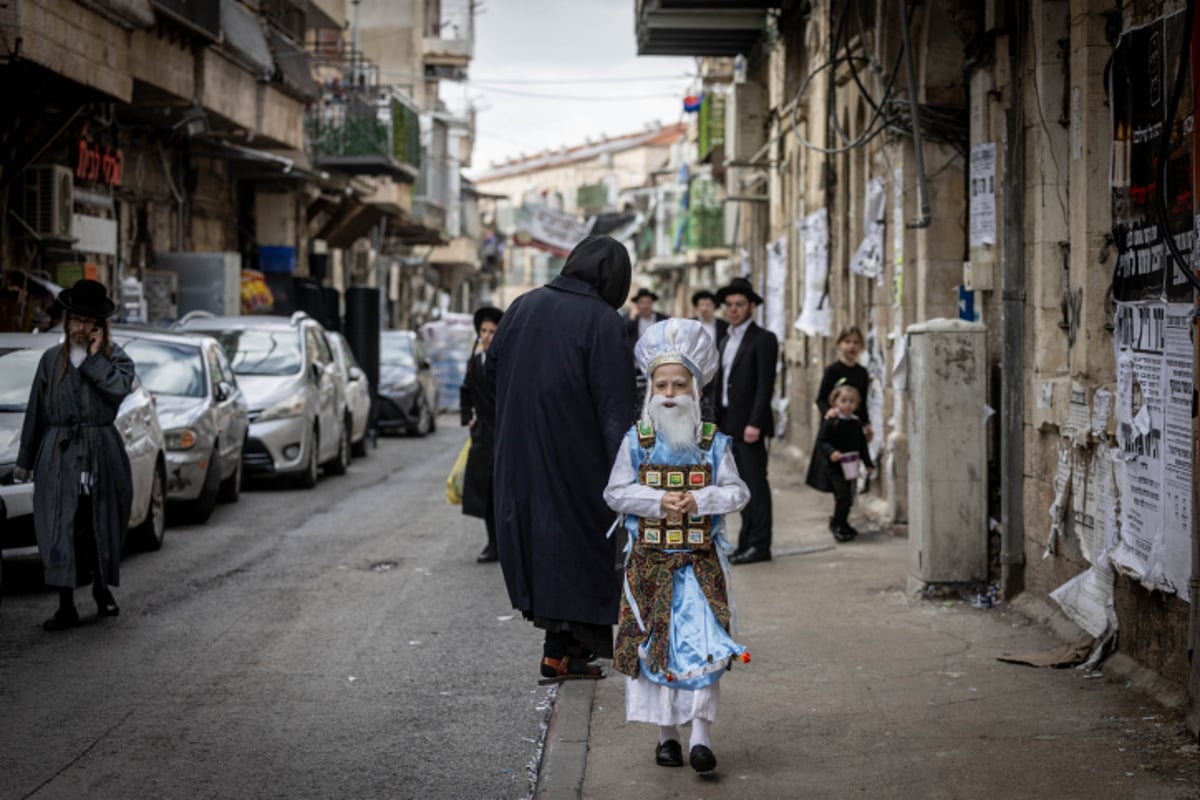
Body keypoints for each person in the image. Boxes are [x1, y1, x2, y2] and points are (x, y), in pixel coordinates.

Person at [486, 235, 637, 682]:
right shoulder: (603, 320)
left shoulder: (522, 305)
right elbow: (615, 407)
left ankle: (561, 653)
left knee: (541, 543)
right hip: (576, 454)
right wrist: (626, 472)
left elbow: (491, 368)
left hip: (518, 448)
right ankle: (563, 653)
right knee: (579, 547)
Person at [603, 318, 750, 775]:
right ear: (650, 391)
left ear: (696, 390)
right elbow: (615, 492)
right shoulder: (636, 441)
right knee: (653, 649)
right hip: (647, 565)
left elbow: (738, 492)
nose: (668, 393)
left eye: (678, 384)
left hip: (700, 567)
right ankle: (666, 737)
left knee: (704, 649)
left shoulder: (713, 443)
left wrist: (701, 500)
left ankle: (702, 737)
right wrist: (656, 500)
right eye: (660, 384)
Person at [15, 279, 134, 631]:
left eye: (88, 322)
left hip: (101, 450)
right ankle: (65, 604)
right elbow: (36, 411)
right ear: (67, 321)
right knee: (59, 526)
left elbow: (117, 389)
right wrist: (26, 460)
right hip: (60, 453)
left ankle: (101, 589)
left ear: (100, 325)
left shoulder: (116, 359)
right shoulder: (51, 360)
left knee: (99, 524)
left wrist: (94, 359)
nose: (81, 328)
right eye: (76, 320)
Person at [712, 277, 778, 565]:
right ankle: (745, 543)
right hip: (728, 423)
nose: (734, 309)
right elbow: (721, 383)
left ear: (751, 306)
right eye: (729, 305)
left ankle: (760, 545)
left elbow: (765, 385)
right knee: (738, 486)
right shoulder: (725, 338)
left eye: (739, 304)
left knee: (755, 486)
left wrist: (756, 423)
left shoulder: (763, 339)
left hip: (749, 425)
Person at [460, 305, 503, 563]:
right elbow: (466, 390)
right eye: (483, 331)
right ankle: (492, 544)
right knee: (484, 491)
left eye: (492, 332)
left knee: (503, 491)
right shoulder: (475, 362)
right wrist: (468, 419)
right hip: (483, 434)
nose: (486, 336)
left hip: (505, 434)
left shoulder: (506, 363)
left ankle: (506, 543)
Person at [805, 384, 874, 541]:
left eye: (851, 401)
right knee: (842, 496)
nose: (847, 404)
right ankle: (837, 524)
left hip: (851, 466)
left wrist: (868, 464)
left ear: (856, 405)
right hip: (835, 467)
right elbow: (822, 441)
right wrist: (831, 452)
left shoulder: (856, 423)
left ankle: (843, 522)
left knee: (849, 497)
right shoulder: (832, 422)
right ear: (835, 402)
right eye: (843, 400)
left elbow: (862, 446)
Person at [815, 326, 872, 440]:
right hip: (833, 427)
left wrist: (866, 424)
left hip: (853, 428)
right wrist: (829, 412)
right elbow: (820, 400)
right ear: (839, 344)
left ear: (861, 346)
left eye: (856, 342)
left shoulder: (862, 373)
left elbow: (863, 403)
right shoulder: (832, 370)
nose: (852, 346)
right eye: (847, 342)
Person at [690, 289, 727, 421]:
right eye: (701, 305)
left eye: (708, 305)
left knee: (715, 406)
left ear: (714, 307)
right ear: (697, 307)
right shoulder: (689, 325)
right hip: (695, 372)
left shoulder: (724, 326)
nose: (705, 308)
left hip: (717, 373)